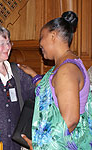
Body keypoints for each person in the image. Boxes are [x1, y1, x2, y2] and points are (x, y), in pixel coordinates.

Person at [20, 11, 92, 149]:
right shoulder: (66, 64)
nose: (39, 43)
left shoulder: (66, 70)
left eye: (42, 37)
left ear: (53, 36)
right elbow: (54, 94)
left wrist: (41, 146)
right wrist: (33, 75)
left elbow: (70, 121)